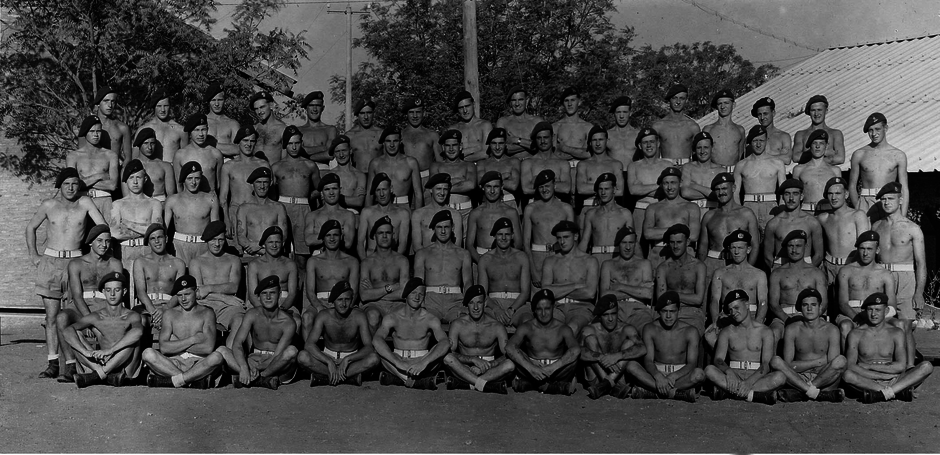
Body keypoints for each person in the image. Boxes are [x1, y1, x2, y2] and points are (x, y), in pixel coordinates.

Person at [26, 168, 106, 379]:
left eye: (74, 184)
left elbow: (102, 226)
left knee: (71, 315)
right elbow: (30, 228)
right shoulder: (49, 205)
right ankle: (52, 363)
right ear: (59, 186)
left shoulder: (85, 203)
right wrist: (34, 255)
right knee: (51, 316)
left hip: (75, 261)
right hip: (51, 262)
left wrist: (92, 256)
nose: (71, 188)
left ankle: (71, 364)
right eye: (66, 184)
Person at [57, 225, 124, 381]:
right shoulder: (77, 264)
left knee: (110, 326)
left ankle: (109, 366)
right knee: (61, 318)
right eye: (99, 241)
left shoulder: (114, 264)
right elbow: (77, 296)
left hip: (104, 303)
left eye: (107, 241)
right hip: (79, 305)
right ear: (90, 243)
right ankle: (70, 364)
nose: (104, 245)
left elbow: (117, 293)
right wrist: (89, 322)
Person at [842, 293, 933, 403]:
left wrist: (869, 366)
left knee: (926, 366)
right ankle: (895, 392)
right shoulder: (856, 334)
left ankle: (881, 394)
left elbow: (900, 366)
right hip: (867, 379)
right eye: (870, 310)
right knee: (847, 375)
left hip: (893, 378)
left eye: (878, 310)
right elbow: (851, 366)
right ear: (865, 311)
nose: (873, 314)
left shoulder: (896, 333)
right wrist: (879, 375)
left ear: (886, 312)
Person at [141, 275, 227, 389]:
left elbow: (207, 348)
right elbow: (164, 348)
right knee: (147, 353)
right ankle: (191, 380)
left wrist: (175, 342)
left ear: (196, 292)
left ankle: (177, 380)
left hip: (199, 362)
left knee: (217, 357)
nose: (183, 299)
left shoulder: (207, 313)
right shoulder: (170, 314)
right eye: (179, 295)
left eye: (187, 294)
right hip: (173, 362)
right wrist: (193, 339)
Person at [61, 272, 143, 387]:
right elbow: (67, 331)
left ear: (124, 292)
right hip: (102, 361)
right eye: (108, 290)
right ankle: (105, 374)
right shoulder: (96, 316)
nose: (112, 294)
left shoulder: (131, 316)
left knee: (132, 338)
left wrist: (111, 350)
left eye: (117, 290)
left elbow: (138, 332)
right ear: (103, 292)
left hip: (126, 367)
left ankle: (98, 375)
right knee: (75, 334)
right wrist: (86, 352)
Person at [704, 290, 784, 405]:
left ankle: (729, 393)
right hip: (734, 377)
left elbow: (766, 364)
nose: (733, 312)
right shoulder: (727, 332)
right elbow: (718, 359)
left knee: (780, 377)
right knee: (709, 370)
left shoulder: (765, 331)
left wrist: (749, 382)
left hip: (756, 378)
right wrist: (729, 371)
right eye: (730, 310)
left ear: (746, 304)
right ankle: (753, 395)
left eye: (736, 307)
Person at [372, 278, 451, 390]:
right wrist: (398, 362)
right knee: (380, 353)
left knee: (441, 351)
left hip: (422, 361)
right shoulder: (393, 317)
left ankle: (402, 378)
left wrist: (423, 363)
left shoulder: (430, 319)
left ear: (424, 297)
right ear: (406, 294)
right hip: (399, 360)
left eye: (421, 294)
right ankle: (410, 379)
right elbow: (377, 339)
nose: (417, 297)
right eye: (413, 293)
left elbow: (445, 342)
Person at [770, 288, 847, 402]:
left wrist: (815, 368)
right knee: (775, 361)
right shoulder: (792, 329)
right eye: (805, 305)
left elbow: (831, 364)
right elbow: (789, 365)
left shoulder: (831, 329)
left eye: (813, 305)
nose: (809, 308)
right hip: (798, 376)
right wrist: (817, 362)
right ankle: (816, 393)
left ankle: (804, 391)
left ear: (820, 307)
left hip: (824, 378)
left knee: (841, 360)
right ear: (800, 308)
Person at [626, 291, 705, 401]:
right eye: (664, 311)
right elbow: (648, 360)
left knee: (699, 374)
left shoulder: (690, 331)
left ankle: (653, 392)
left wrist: (674, 376)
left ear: (679, 311)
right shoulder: (650, 329)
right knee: (631, 366)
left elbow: (691, 363)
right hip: (657, 373)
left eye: (672, 311)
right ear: (658, 312)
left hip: (680, 376)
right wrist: (658, 376)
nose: (668, 316)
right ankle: (674, 393)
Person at [298, 281, 379, 386]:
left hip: (351, 360)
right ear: (333, 301)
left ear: (351, 301)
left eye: (347, 299)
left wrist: (348, 359)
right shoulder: (324, 316)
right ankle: (348, 378)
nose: (343, 304)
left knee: (374, 358)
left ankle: (328, 378)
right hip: (328, 357)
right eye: (340, 300)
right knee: (302, 356)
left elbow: (369, 347)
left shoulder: (359, 316)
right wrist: (328, 361)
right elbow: (309, 344)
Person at [228, 275, 299, 389]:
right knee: (222, 351)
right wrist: (244, 366)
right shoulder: (252, 314)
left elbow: (277, 355)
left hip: (274, 362)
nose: (268, 297)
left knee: (292, 351)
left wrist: (258, 368)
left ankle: (256, 378)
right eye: (264, 293)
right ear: (259, 297)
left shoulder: (288, 322)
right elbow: (237, 344)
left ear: (280, 295)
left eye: (272, 293)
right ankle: (259, 378)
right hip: (254, 358)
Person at [505, 289, 581, 395]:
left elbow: (575, 349)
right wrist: (531, 368)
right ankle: (551, 387)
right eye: (539, 309)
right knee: (514, 355)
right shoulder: (527, 327)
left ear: (553, 307)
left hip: (556, 370)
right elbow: (509, 347)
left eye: (547, 308)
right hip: (531, 369)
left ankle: (532, 385)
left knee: (574, 360)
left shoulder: (563, 328)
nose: (544, 313)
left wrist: (552, 368)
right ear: (534, 310)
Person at [442, 285, 515, 393]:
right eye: (472, 303)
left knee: (510, 365)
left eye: (479, 303)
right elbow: (451, 352)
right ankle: (483, 384)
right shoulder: (457, 324)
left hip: (489, 368)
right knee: (447, 358)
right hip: (466, 368)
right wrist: (472, 359)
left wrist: (488, 365)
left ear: (485, 303)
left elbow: (507, 354)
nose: (476, 307)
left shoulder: (497, 326)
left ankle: (470, 383)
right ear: (467, 305)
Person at [705, 230, 767, 349]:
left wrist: (757, 324)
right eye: (733, 248)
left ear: (748, 249)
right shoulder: (720, 273)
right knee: (710, 336)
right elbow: (714, 300)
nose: (737, 252)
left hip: (751, 316)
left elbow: (763, 302)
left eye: (740, 248)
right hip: (727, 317)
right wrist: (715, 321)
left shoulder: (759, 274)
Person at [188, 221, 247, 346]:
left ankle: (230, 356)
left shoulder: (233, 260)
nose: (217, 244)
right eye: (213, 240)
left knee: (240, 320)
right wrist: (224, 297)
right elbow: (198, 293)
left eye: (220, 240)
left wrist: (208, 288)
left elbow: (233, 286)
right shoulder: (196, 262)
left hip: (227, 307)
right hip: (204, 304)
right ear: (207, 240)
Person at [872, 182, 924, 322]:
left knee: (906, 324)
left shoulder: (912, 228)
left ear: (900, 200)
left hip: (905, 279)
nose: (887, 202)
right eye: (883, 199)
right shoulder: (876, 226)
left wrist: (919, 292)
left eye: (891, 198)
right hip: (881, 276)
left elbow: (921, 263)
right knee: (880, 323)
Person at [578, 294, 647, 399]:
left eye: (613, 314)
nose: (610, 319)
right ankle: (609, 384)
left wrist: (618, 356)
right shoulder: (590, 329)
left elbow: (642, 348)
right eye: (606, 315)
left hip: (619, 379)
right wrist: (600, 357)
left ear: (617, 313)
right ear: (600, 316)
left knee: (629, 344)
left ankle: (606, 384)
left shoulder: (626, 329)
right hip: (596, 378)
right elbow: (578, 351)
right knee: (590, 339)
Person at [538, 220, 599, 334]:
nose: (562, 241)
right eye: (559, 238)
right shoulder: (550, 261)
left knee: (572, 327)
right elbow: (545, 291)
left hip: (581, 307)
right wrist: (575, 285)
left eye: (566, 237)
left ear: (575, 236)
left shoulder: (590, 261)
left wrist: (557, 289)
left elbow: (590, 293)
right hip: (557, 306)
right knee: (548, 329)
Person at [272, 125, 320, 268]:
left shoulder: (310, 165)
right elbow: (271, 191)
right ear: (285, 144)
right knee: (281, 251)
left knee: (302, 254)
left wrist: (306, 199)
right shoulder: (276, 167)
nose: (294, 147)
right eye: (290, 143)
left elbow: (319, 189)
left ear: (301, 143)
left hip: (303, 209)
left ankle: (303, 289)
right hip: (282, 207)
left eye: (297, 143)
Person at [768, 230, 828, 343]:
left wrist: (809, 318)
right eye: (790, 246)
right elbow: (773, 304)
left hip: (811, 314)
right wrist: (788, 320)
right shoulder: (777, 273)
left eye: (798, 246)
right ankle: (774, 360)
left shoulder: (816, 273)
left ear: (805, 246)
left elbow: (823, 304)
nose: (794, 250)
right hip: (784, 316)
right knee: (774, 332)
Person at [414, 210, 472, 323]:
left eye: (446, 227)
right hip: (431, 300)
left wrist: (466, 304)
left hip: (455, 300)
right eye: (439, 227)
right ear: (434, 229)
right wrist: (422, 305)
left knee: (464, 325)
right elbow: (418, 282)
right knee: (424, 323)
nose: (443, 231)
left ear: (453, 227)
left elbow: (468, 282)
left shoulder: (463, 254)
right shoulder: (423, 254)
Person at [303, 220, 359, 337]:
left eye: (335, 235)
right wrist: (319, 307)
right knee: (307, 318)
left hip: (344, 301)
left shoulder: (352, 261)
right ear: (322, 238)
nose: (332, 239)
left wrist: (345, 307)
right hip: (321, 300)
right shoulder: (313, 261)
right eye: (328, 235)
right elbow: (310, 292)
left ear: (341, 237)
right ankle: (308, 353)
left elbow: (354, 292)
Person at [698, 173, 760, 276]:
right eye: (717, 189)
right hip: (713, 263)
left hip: (739, 263)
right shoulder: (709, 216)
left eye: (724, 188)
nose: (721, 192)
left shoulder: (747, 214)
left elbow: (755, 246)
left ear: (733, 188)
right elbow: (702, 247)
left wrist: (748, 269)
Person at [848, 113, 909, 218]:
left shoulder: (898, 155)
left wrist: (902, 215)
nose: (874, 134)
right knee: (865, 233)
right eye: (870, 130)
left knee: (887, 233)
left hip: (888, 201)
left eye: (877, 129)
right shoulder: (859, 154)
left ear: (886, 128)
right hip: (865, 202)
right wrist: (858, 208)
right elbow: (852, 186)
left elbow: (904, 188)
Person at [522, 170, 574, 287]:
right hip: (537, 257)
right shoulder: (530, 209)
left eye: (547, 186)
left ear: (554, 185)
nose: (544, 190)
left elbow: (572, 241)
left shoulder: (566, 208)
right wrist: (533, 271)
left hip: (559, 255)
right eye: (541, 187)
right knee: (538, 298)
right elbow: (525, 243)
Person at [733, 125, 786, 237]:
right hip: (749, 206)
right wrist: (740, 211)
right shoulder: (741, 165)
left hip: (771, 206)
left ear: (766, 140)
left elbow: (783, 190)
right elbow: (735, 192)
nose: (758, 144)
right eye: (755, 141)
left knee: (771, 240)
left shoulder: (777, 163)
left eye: (761, 140)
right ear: (750, 142)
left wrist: (780, 211)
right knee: (750, 239)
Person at [359, 217, 411, 332]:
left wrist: (374, 292)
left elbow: (404, 293)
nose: (384, 236)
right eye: (380, 233)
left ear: (393, 235)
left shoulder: (402, 261)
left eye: (387, 233)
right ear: (374, 236)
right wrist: (390, 288)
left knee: (406, 315)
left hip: (397, 304)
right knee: (372, 316)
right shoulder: (367, 262)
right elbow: (364, 295)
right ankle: (373, 349)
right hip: (373, 304)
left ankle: (399, 349)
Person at [654, 224, 707, 334]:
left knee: (691, 335)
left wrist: (671, 294)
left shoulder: (698, 266)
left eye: (679, 242)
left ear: (687, 242)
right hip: (669, 312)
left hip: (692, 313)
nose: (675, 246)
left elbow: (698, 299)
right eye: (672, 242)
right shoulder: (663, 268)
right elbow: (660, 298)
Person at [133, 223, 186, 332]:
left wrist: (165, 309)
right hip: (147, 306)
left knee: (177, 321)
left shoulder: (178, 263)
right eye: (153, 238)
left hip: (169, 305)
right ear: (148, 242)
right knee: (140, 321)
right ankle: (143, 349)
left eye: (160, 237)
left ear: (166, 238)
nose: (157, 241)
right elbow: (140, 292)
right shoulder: (140, 262)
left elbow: (179, 293)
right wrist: (153, 312)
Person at [110, 159, 163, 268]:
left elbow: (157, 230)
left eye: (138, 177)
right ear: (126, 181)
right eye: (131, 178)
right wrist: (146, 230)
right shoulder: (118, 204)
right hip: (124, 250)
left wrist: (129, 225)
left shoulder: (154, 204)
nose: (135, 182)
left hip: (147, 250)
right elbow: (114, 233)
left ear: (145, 179)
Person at [477, 217, 530, 326]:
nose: (504, 238)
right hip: (494, 304)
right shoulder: (485, 260)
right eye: (500, 234)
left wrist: (512, 309)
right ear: (495, 236)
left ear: (512, 235)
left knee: (527, 321)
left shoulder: (521, 257)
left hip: (517, 304)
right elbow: (483, 293)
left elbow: (525, 292)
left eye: (507, 234)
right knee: (483, 321)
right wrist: (496, 309)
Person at [817, 176, 870, 285]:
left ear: (846, 194)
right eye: (830, 194)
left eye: (838, 193)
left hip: (851, 266)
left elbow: (864, 246)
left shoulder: (858, 215)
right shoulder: (823, 218)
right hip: (828, 268)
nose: (834, 197)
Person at [626, 128, 674, 245]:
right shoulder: (633, 166)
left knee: (662, 246)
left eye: (652, 142)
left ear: (658, 144)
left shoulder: (667, 165)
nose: (649, 145)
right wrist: (660, 186)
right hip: (640, 211)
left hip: (663, 210)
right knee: (638, 246)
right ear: (640, 146)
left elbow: (671, 190)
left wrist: (643, 188)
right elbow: (633, 190)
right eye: (645, 142)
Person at [644, 167, 700, 269]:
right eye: (666, 183)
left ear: (680, 183)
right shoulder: (653, 208)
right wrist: (680, 230)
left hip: (684, 255)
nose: (669, 187)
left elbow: (694, 235)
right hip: (659, 254)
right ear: (661, 185)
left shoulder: (691, 207)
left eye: (673, 182)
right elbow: (648, 234)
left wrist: (659, 232)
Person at [599, 227, 654, 330]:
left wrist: (619, 286)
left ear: (635, 244)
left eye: (631, 243)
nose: (628, 247)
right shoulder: (608, 265)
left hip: (639, 310)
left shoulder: (644, 264)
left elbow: (648, 294)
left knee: (647, 330)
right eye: (624, 243)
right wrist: (638, 289)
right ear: (618, 244)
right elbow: (604, 295)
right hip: (615, 310)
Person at [220, 126, 270, 237]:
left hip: (256, 212)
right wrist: (226, 219)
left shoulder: (262, 164)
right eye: (245, 140)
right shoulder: (228, 166)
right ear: (238, 142)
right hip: (235, 211)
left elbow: (270, 193)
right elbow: (223, 197)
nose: (249, 144)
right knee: (236, 250)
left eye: (252, 141)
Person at [68, 115, 119, 224]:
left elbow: (112, 185)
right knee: (83, 237)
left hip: (105, 200)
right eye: (92, 131)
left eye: (98, 131)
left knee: (106, 235)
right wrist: (99, 176)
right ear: (85, 132)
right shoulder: (73, 156)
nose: (96, 135)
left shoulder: (110, 155)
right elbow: (73, 185)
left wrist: (84, 181)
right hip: (82, 200)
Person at [246, 227, 300, 329]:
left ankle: (291, 345)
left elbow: (292, 293)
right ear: (264, 244)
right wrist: (263, 310)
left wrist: (282, 310)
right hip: (260, 302)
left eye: (277, 242)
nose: (274, 245)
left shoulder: (289, 264)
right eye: (270, 242)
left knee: (296, 320)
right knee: (250, 319)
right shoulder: (255, 264)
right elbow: (252, 295)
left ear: (283, 243)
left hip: (283, 301)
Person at [763, 179, 824, 268]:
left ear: (802, 196)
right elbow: (767, 256)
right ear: (782, 197)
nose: (791, 198)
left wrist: (808, 271)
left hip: (806, 269)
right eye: (787, 194)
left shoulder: (812, 222)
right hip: (781, 267)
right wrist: (778, 272)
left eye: (795, 194)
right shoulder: (773, 224)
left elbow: (819, 255)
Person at [467, 172, 522, 265]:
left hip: (505, 260)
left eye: (496, 187)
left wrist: (508, 258)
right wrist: (481, 263)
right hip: (481, 258)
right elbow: (469, 244)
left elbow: (518, 242)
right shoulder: (475, 213)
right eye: (488, 187)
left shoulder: (511, 212)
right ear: (483, 188)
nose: (492, 191)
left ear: (501, 187)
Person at [578, 173, 633, 263]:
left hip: (617, 258)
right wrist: (575, 261)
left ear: (614, 189)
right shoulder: (591, 214)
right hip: (597, 258)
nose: (603, 193)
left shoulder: (625, 213)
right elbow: (584, 242)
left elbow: (632, 242)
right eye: (600, 189)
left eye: (607, 189)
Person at [235, 167, 288, 260]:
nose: (262, 186)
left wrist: (263, 249)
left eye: (265, 182)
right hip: (251, 255)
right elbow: (241, 237)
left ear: (270, 183)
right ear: (252, 185)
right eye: (258, 182)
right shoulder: (244, 208)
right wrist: (258, 249)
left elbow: (283, 236)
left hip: (274, 255)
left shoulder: (278, 208)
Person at [366, 126, 422, 208]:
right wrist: (367, 214)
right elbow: (369, 193)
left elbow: (418, 193)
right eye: (388, 141)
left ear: (400, 142)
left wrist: (417, 217)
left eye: (395, 141)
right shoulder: (375, 163)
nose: (392, 145)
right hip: (381, 208)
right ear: (383, 143)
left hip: (403, 207)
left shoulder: (411, 162)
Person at [429, 129, 476, 228]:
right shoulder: (436, 166)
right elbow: (433, 189)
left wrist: (444, 187)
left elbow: (471, 185)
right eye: (447, 145)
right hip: (443, 211)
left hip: (465, 211)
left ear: (460, 146)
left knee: (464, 242)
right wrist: (460, 181)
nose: (451, 149)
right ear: (443, 147)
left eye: (454, 145)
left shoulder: (469, 165)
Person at [357, 173, 411, 258]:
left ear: (391, 189)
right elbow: (360, 243)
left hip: (392, 259)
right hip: (371, 259)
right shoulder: (367, 212)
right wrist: (365, 263)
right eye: (378, 190)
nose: (382, 194)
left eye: (384, 189)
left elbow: (403, 244)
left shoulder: (402, 214)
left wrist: (393, 262)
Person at [305, 173, 358, 254]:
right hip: (318, 258)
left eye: (334, 188)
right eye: (327, 189)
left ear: (340, 190)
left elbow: (348, 243)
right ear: (322, 193)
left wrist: (320, 236)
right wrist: (337, 236)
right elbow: (308, 240)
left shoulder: (348, 215)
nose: (331, 193)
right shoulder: (312, 215)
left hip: (340, 257)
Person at [575, 126, 624, 211]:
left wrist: (591, 187)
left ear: (607, 141)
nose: (598, 144)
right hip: (588, 206)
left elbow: (620, 191)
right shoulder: (583, 165)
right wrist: (608, 188)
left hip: (610, 209)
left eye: (601, 140)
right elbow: (581, 189)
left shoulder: (616, 165)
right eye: (594, 140)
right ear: (590, 143)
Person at [411, 173, 464, 252]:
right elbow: (417, 246)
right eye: (438, 189)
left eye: (445, 189)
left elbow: (457, 245)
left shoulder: (455, 215)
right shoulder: (418, 214)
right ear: (431, 190)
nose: (442, 193)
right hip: (426, 259)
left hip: (449, 259)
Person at [680, 132, 729, 216]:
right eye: (699, 148)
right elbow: (685, 192)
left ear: (712, 148)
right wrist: (711, 192)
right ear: (695, 149)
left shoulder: (720, 170)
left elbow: (721, 195)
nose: (702, 151)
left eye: (706, 147)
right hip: (692, 213)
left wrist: (694, 186)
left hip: (714, 212)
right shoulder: (688, 168)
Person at [792, 130, 841, 212]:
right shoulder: (799, 170)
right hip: (806, 212)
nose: (817, 146)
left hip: (828, 213)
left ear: (826, 146)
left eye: (821, 143)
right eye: (814, 143)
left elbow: (839, 196)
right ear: (810, 146)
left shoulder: (835, 171)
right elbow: (794, 195)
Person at [173, 113, 224, 192]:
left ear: (208, 129)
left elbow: (219, 184)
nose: (201, 134)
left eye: (203, 130)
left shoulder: (216, 154)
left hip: (209, 200)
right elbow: (179, 186)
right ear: (190, 133)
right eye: (196, 130)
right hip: (188, 201)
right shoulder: (180, 155)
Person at [651, 84, 700, 165]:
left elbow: (697, 157)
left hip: (686, 170)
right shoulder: (658, 126)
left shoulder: (693, 126)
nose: (678, 102)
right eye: (674, 98)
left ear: (686, 100)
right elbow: (654, 158)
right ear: (669, 100)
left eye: (682, 98)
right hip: (666, 169)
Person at [520, 122, 572, 197]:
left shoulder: (562, 163)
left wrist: (537, 182)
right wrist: (554, 183)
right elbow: (526, 189)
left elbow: (566, 188)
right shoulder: (528, 163)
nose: (542, 141)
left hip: (557, 205)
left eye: (546, 137)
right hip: (535, 205)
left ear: (552, 137)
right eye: (539, 138)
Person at [792, 95, 845, 165]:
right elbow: (796, 157)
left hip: (827, 173)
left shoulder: (835, 134)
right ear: (809, 112)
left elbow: (840, 158)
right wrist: (827, 152)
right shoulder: (801, 134)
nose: (816, 114)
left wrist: (810, 155)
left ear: (826, 111)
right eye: (813, 110)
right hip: (807, 173)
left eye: (819, 110)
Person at [136, 89, 188, 163]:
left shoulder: (180, 130)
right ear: (154, 107)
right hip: (151, 172)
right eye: (159, 106)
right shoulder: (143, 129)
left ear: (170, 106)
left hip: (173, 172)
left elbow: (185, 159)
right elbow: (135, 159)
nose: (163, 110)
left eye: (166, 106)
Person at [476, 128, 521, 206]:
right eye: (494, 143)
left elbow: (513, 185)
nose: (497, 147)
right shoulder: (482, 163)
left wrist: (489, 179)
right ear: (489, 144)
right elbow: (481, 184)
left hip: (509, 202)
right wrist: (505, 176)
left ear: (505, 144)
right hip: (488, 204)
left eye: (500, 143)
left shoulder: (513, 161)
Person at [400, 97, 440, 185]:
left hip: (427, 179)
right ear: (406, 114)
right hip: (406, 179)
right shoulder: (400, 135)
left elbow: (440, 163)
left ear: (424, 113)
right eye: (411, 112)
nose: (415, 116)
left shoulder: (432, 135)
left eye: (418, 112)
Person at [495, 86, 544, 156]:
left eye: (520, 99)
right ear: (510, 103)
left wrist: (516, 140)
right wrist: (531, 144)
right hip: (511, 164)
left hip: (532, 164)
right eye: (514, 100)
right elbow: (504, 149)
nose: (517, 104)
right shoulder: (503, 122)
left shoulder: (537, 121)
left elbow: (542, 146)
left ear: (526, 101)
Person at [702, 89, 745, 167]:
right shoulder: (708, 130)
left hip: (733, 173)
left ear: (734, 105)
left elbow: (741, 157)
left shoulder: (740, 130)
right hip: (714, 173)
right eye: (719, 104)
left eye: (726, 103)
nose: (723, 106)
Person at [131, 128, 176, 202]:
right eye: (146, 143)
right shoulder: (131, 167)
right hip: (139, 205)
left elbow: (171, 196)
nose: (149, 147)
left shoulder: (165, 166)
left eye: (152, 143)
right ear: (139, 144)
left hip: (161, 203)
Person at [448, 90, 493, 162]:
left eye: (467, 106)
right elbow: (449, 155)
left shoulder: (485, 126)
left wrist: (461, 157)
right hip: (461, 170)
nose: (465, 110)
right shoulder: (453, 129)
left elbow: (486, 154)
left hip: (480, 168)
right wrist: (475, 149)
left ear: (473, 104)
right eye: (461, 108)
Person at [297, 91, 339, 168]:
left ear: (322, 108)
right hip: (303, 170)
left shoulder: (330, 130)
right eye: (311, 105)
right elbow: (296, 151)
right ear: (306, 108)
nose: (315, 109)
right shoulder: (299, 130)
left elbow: (330, 154)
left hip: (323, 170)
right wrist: (323, 148)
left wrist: (306, 155)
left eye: (318, 105)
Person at [89, 86, 131, 161]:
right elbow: (81, 155)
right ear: (98, 103)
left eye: (113, 101)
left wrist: (122, 171)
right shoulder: (88, 126)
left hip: (115, 169)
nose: (110, 105)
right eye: (106, 101)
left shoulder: (122, 128)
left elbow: (128, 158)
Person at [552, 87, 592, 165]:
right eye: (566, 101)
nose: (569, 104)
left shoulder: (588, 127)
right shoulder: (555, 127)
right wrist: (578, 152)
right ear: (563, 104)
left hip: (581, 168)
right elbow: (552, 154)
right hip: (561, 168)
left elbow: (588, 154)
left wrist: (564, 148)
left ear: (579, 102)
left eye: (573, 100)